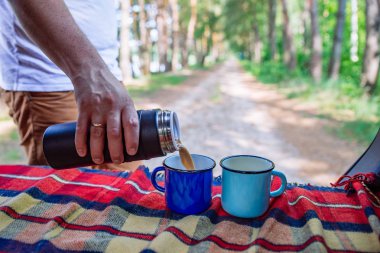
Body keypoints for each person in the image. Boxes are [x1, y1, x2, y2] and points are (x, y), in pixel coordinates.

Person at [0, 0, 141, 170]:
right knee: (68, 192)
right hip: (50, 76)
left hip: (105, 73)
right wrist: (90, 72)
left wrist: (102, 74)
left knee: (130, 186)